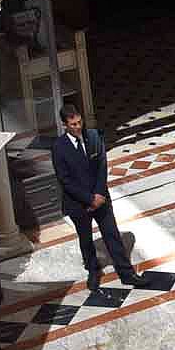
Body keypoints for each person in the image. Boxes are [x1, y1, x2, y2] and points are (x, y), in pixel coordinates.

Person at [52, 102, 139, 290]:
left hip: (100, 197)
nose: (78, 127)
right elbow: (65, 180)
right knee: (85, 239)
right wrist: (89, 199)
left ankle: (127, 272)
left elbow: (101, 165)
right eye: (73, 124)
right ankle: (93, 270)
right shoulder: (59, 147)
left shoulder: (93, 136)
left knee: (112, 233)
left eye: (79, 122)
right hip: (78, 203)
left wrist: (99, 194)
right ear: (65, 125)